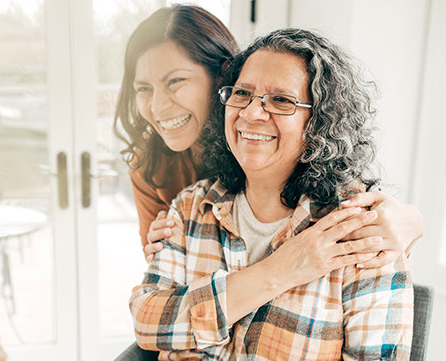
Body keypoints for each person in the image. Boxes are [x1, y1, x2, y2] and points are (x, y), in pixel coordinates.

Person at [129, 28, 414, 361]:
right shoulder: (191, 205)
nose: (251, 113)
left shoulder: (359, 231)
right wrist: (280, 270)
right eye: (242, 94)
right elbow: (147, 323)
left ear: (320, 121)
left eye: (281, 100)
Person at [113, 4, 423, 267]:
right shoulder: (150, 167)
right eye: (143, 89)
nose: (157, 106)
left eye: (175, 81)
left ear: (224, 76)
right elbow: (168, 291)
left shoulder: (283, 151)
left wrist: (411, 220)